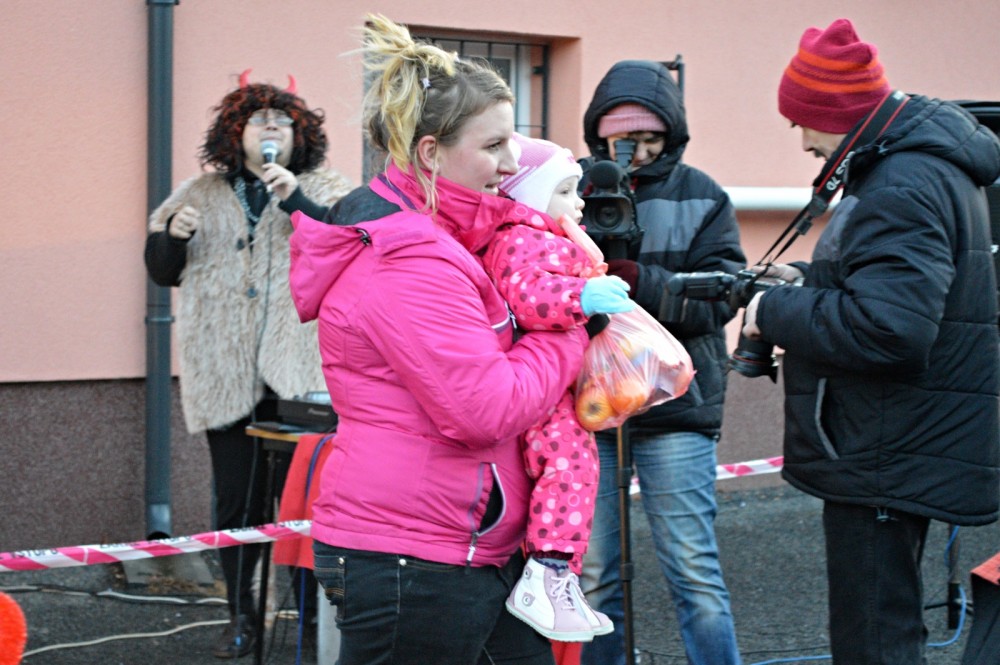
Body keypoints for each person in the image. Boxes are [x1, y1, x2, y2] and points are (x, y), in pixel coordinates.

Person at [289, 14, 598, 664]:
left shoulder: (445, 242)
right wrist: (569, 327)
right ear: (430, 153)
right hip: (416, 556)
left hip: (458, 547)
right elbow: (484, 409)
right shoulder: (411, 260)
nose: (511, 164)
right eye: (494, 145)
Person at [741, 18, 1000, 664]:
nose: (803, 140)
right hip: (898, 437)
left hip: (884, 445)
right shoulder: (919, 169)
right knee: (887, 626)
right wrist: (809, 282)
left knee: (874, 638)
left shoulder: (900, 183)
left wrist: (772, 309)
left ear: (837, 114)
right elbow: (893, 294)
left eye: (804, 123)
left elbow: (890, 329)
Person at [144, 73, 352, 658]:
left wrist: (297, 201)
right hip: (226, 372)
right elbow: (160, 269)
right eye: (258, 121)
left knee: (304, 506)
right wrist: (174, 236)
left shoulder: (328, 188)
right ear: (234, 133)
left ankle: (310, 621)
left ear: (299, 135)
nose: (270, 130)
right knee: (236, 504)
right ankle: (243, 616)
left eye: (282, 122)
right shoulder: (198, 194)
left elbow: (348, 246)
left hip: (300, 375)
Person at [577, 60, 747, 665]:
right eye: (623, 139)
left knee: (694, 573)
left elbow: (723, 295)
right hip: (589, 406)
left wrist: (638, 282)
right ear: (600, 135)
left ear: (671, 134)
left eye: (650, 138)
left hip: (677, 406)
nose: (638, 152)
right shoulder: (569, 188)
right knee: (592, 577)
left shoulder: (703, 194)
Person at [484, 132, 632, 641]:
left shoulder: (545, 235)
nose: (580, 201)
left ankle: (559, 575)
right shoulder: (521, 236)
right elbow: (528, 294)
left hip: (556, 382)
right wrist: (582, 295)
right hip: (543, 389)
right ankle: (547, 572)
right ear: (529, 195)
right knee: (567, 468)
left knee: (577, 469)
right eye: (565, 191)